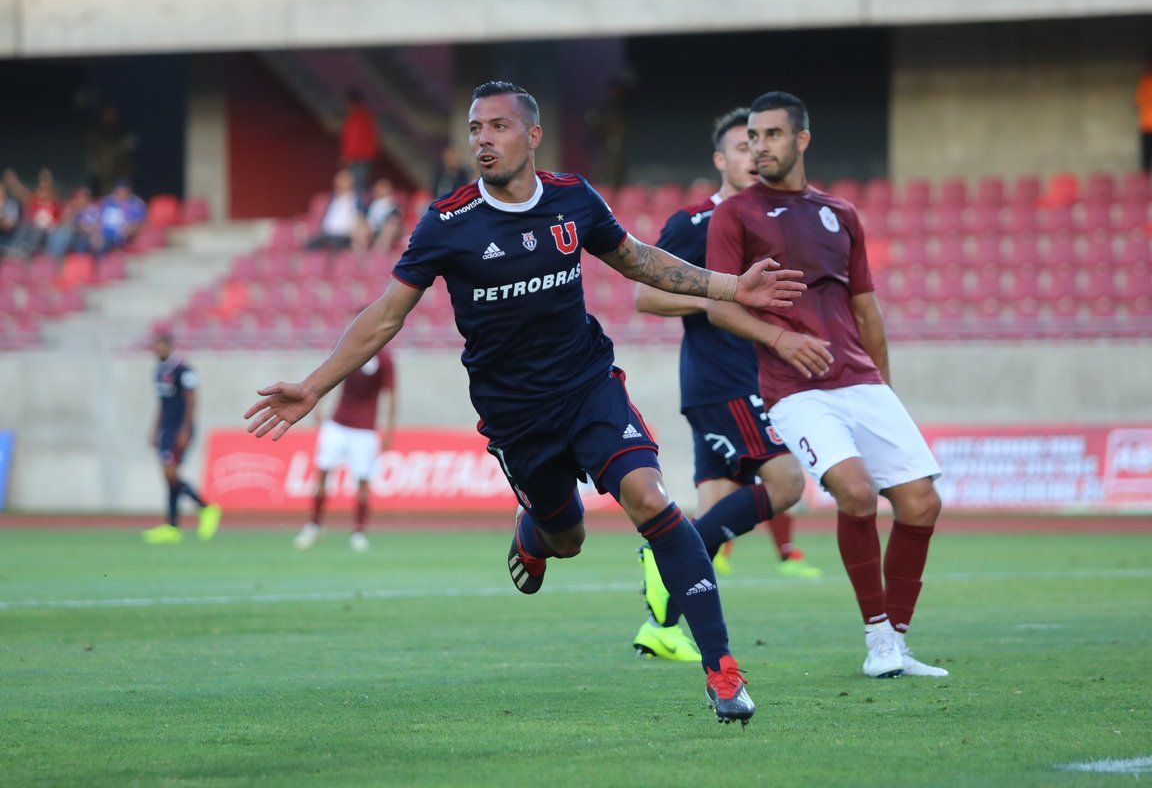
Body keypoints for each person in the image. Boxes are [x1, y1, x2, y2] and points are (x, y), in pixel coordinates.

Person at [244, 80, 806, 724]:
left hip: (589, 386)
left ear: (532, 136)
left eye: (499, 127)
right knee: (567, 539)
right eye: (476, 128)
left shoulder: (572, 199)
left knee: (651, 497)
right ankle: (535, 531)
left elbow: (640, 262)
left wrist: (732, 287)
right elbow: (385, 316)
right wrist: (315, 385)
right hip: (516, 417)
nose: (484, 140)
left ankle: (722, 670)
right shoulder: (448, 222)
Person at [706, 91, 947, 679]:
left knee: (922, 502)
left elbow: (866, 309)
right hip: (795, 388)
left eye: (772, 135)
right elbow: (718, 308)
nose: (760, 146)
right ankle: (878, 644)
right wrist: (781, 339)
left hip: (861, 382)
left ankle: (898, 639)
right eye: (753, 137)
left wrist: (882, 388)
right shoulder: (734, 214)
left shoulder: (841, 213)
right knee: (857, 492)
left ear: (801, 140)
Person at [629, 108, 820, 663]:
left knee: (715, 512)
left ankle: (661, 625)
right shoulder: (694, 222)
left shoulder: (767, 219)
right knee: (785, 484)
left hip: (750, 377)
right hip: (723, 380)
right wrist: (721, 293)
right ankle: (662, 551)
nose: (754, 156)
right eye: (742, 147)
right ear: (720, 159)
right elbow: (645, 294)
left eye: (761, 145)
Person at [294, 348, 397, 552]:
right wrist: (318, 405)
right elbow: (331, 376)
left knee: (362, 481)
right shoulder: (353, 348)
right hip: (338, 424)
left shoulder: (385, 359)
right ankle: (314, 525)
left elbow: (391, 394)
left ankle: (359, 531)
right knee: (323, 473)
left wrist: (390, 429)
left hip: (365, 431)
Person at [142, 332, 222, 544]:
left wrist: (186, 430)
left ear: (169, 346)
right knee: (169, 475)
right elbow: (162, 403)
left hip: (180, 428)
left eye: (159, 346)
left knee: (170, 472)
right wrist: (154, 428)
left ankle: (206, 508)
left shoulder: (183, 370)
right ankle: (172, 527)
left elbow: (192, 400)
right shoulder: (159, 371)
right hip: (166, 428)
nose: (156, 350)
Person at [3, 169, 60, 257]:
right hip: (33, 226)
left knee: (38, 228)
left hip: (48, 231)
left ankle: (27, 250)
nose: (42, 191)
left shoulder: (55, 203)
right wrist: (13, 182)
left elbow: (59, 220)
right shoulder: (35, 200)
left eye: (46, 189)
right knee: (25, 223)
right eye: (41, 188)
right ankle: (15, 247)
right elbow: (22, 193)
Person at [307, 169, 364, 252]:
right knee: (310, 245)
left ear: (351, 182)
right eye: (338, 180)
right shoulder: (330, 199)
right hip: (326, 234)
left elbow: (361, 218)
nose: (340, 182)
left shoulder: (356, 200)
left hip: (344, 236)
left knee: (336, 247)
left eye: (343, 180)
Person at [91, 179, 146, 255]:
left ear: (129, 190)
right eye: (119, 190)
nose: (121, 193)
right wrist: (96, 234)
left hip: (124, 238)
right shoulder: (107, 201)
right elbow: (97, 219)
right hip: (103, 236)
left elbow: (139, 223)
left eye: (124, 190)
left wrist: (126, 231)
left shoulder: (136, 204)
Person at [341, 89, 380, 194]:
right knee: (357, 184)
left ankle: (359, 208)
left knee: (356, 186)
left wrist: (348, 156)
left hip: (359, 158)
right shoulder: (364, 115)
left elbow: (355, 139)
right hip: (363, 156)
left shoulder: (358, 116)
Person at [360, 177, 405, 252]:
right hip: (371, 228)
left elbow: (397, 216)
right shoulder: (372, 204)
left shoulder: (392, 202)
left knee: (390, 225)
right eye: (378, 187)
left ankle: (378, 254)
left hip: (386, 227)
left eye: (383, 187)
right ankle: (361, 254)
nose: (379, 189)